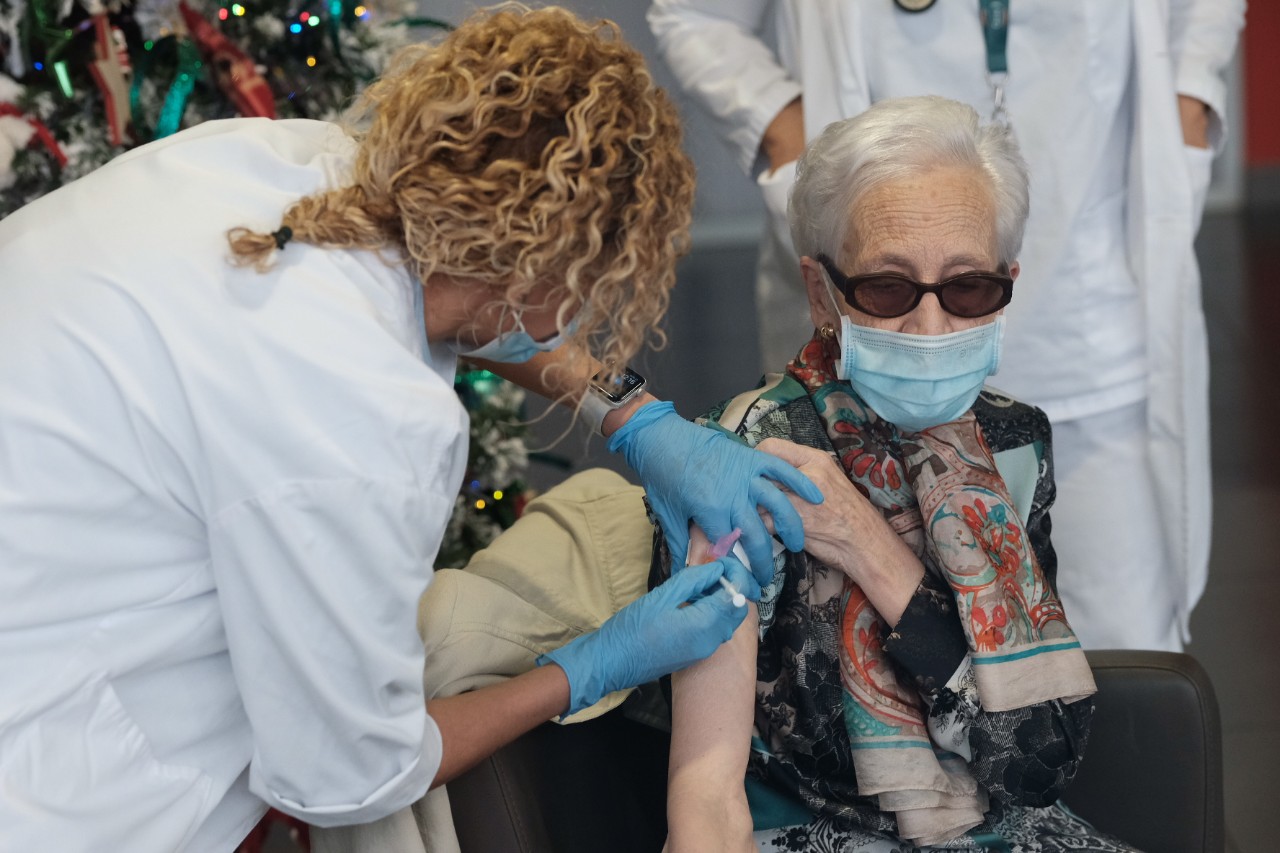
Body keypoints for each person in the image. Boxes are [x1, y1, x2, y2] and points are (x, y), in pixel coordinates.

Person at [0, 6, 818, 851]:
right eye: (585, 288)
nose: (579, 314)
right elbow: (349, 777)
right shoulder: (365, 419)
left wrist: (631, 414)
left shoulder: (288, 163)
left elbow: (471, 293)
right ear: (549, 274)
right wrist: (591, 665)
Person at [647, 0, 1247, 651]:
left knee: (1124, 642)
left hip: (1093, 311)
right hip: (875, 316)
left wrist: (1189, 108)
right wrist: (789, 137)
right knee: (863, 640)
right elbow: (695, 13)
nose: (936, 325)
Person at [653, 96, 1125, 851]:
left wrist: (867, 544)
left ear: (1007, 283)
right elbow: (707, 790)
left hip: (1004, 827)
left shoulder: (1014, 441)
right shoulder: (744, 457)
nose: (930, 329)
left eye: (967, 288)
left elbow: (1035, 756)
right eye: (887, 288)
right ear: (822, 293)